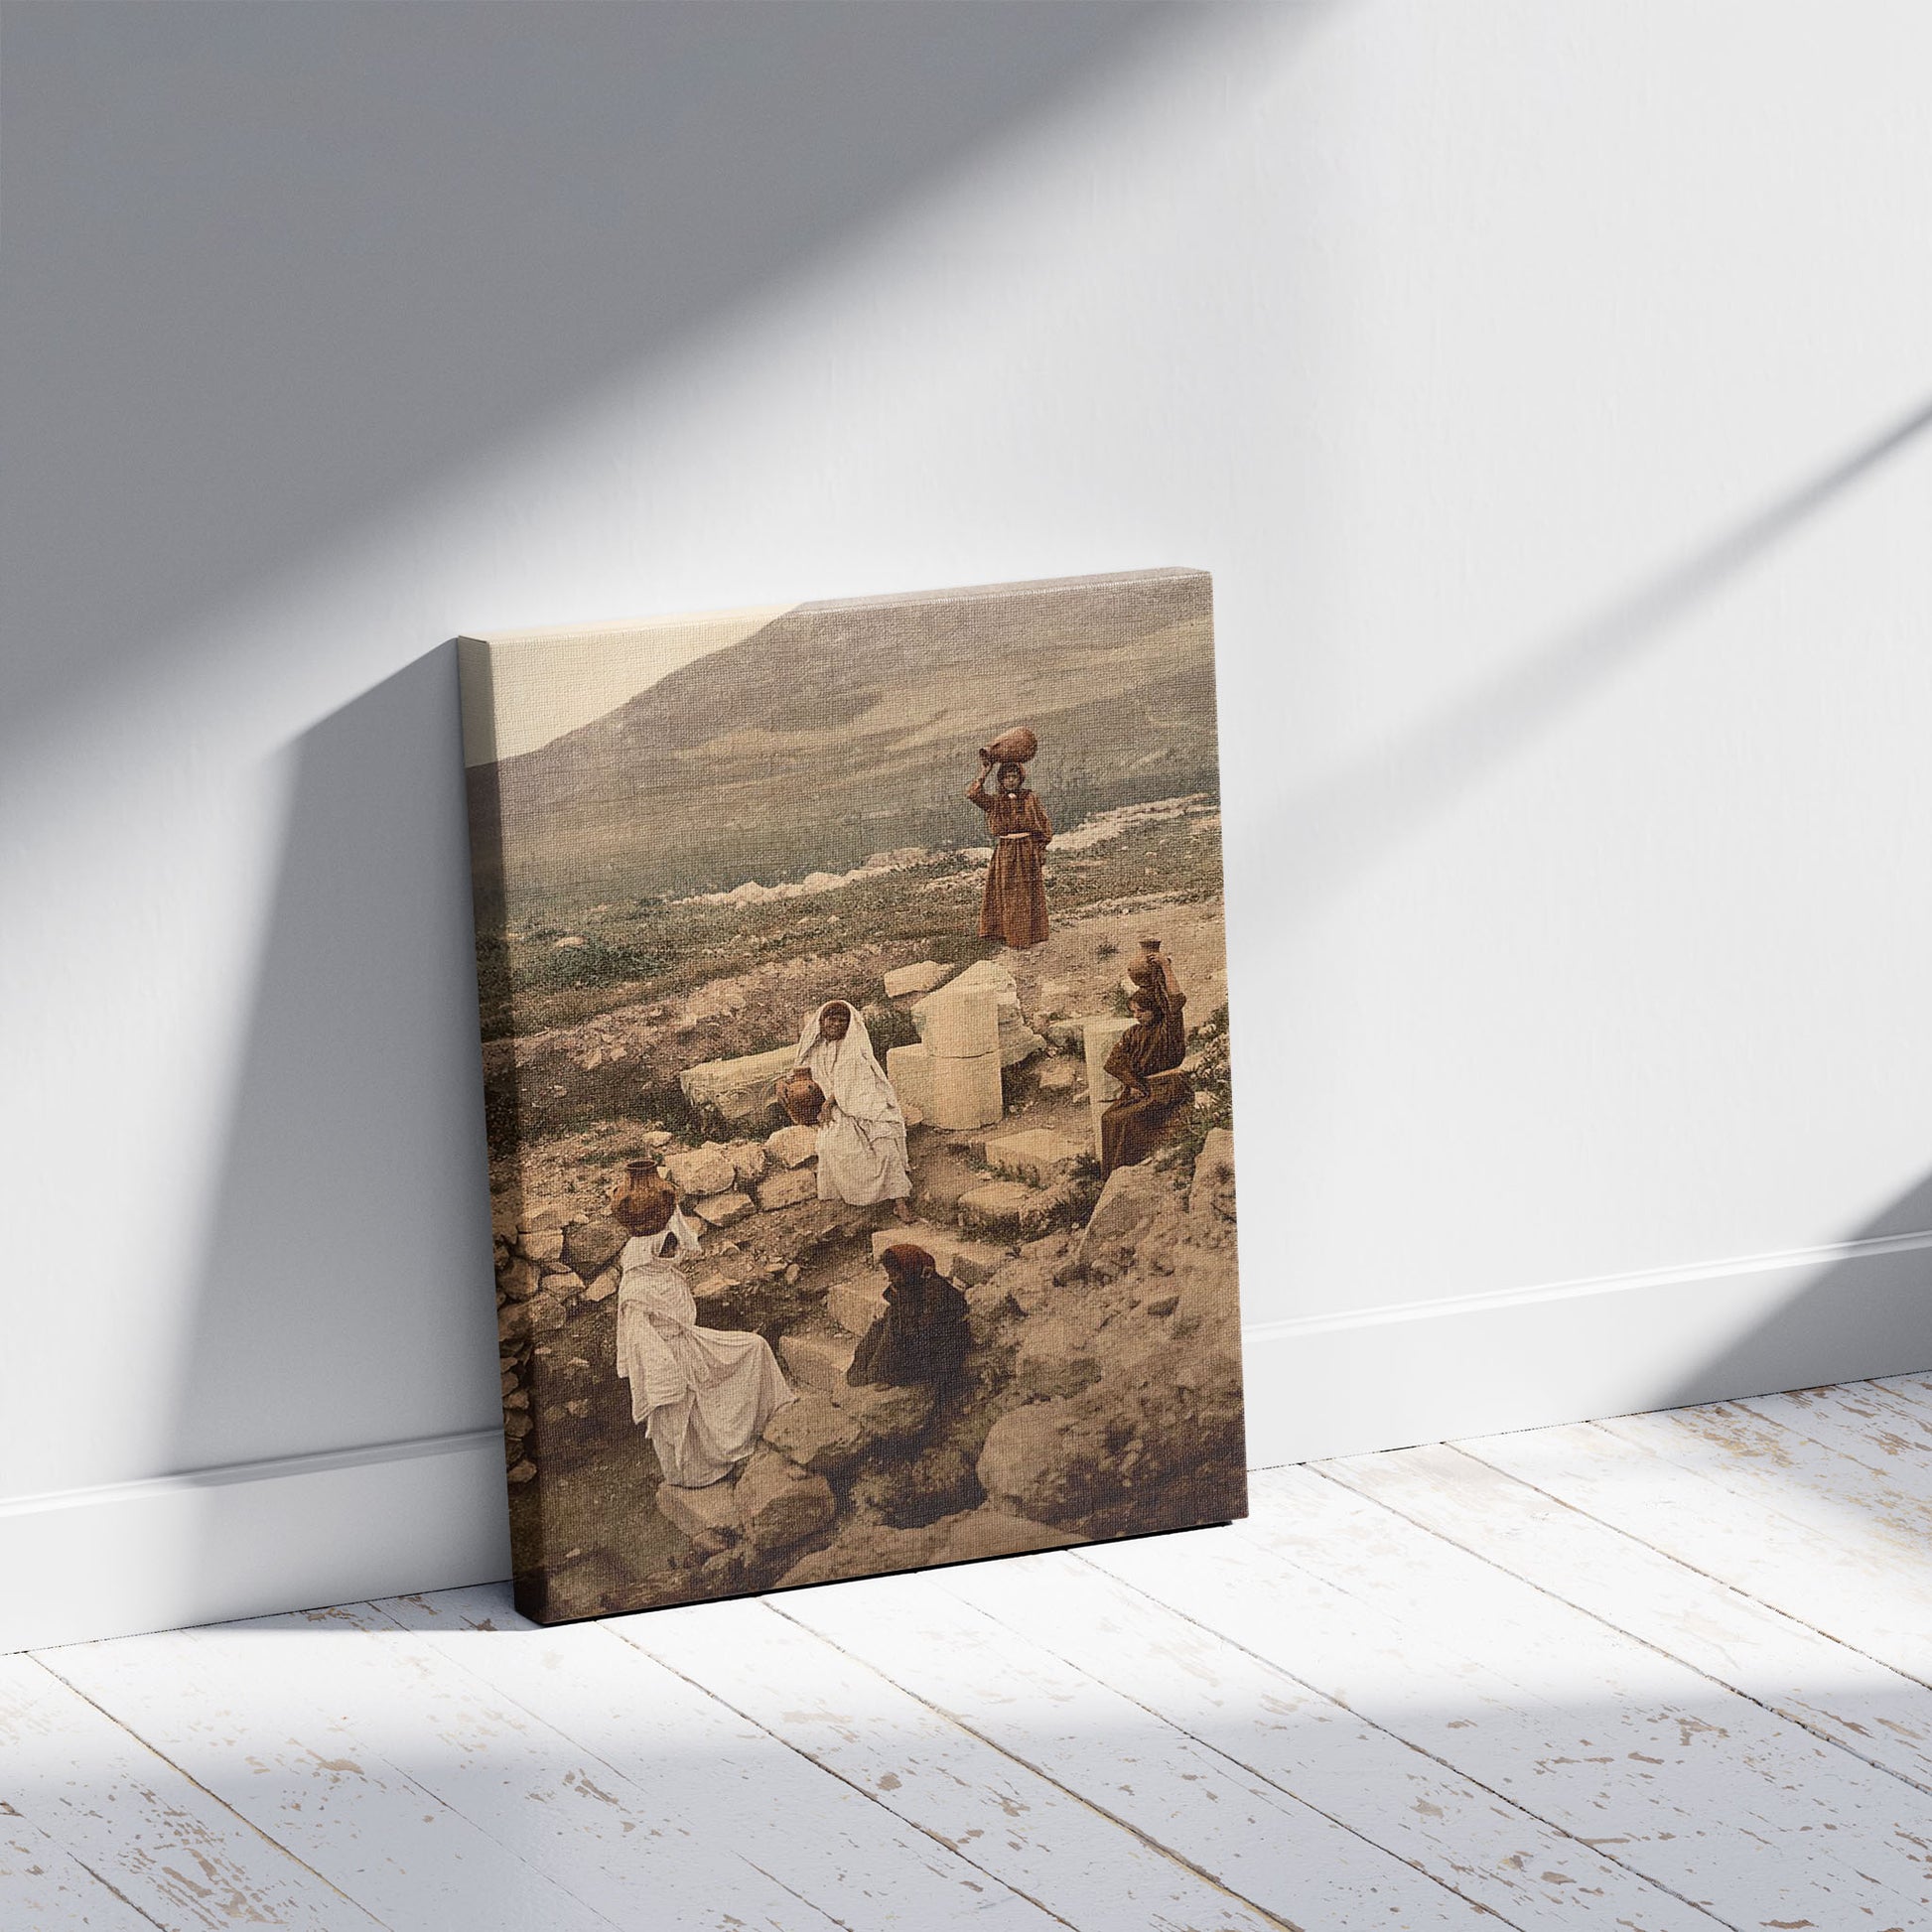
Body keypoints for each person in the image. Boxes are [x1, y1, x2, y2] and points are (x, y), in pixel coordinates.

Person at [614, 1184, 792, 1489]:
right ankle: (696, 1472)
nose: (674, 1253)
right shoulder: (636, 1291)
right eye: (668, 1249)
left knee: (754, 1346)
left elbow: (677, 1230)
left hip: (690, 1341)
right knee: (683, 1411)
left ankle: (764, 1417)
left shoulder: (663, 1272)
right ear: (653, 1251)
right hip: (667, 1360)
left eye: (672, 1248)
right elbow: (643, 1343)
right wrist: (666, 1379)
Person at [789, 1001, 915, 1221]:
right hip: (838, 1109)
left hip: (863, 1104)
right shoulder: (815, 1050)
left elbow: (854, 1085)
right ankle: (846, 1200)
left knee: (884, 1144)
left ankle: (900, 1201)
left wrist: (828, 1103)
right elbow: (803, 1078)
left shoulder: (853, 1049)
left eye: (842, 1021)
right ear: (822, 1021)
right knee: (832, 1145)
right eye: (832, 1020)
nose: (836, 1025)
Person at [848, 1244, 971, 1391]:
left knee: (895, 1325)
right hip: (924, 1337)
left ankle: (883, 1372)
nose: (891, 1279)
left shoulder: (935, 1290)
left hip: (943, 1346)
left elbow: (923, 1329)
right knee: (881, 1323)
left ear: (908, 1269)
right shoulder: (914, 1281)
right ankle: (866, 1369)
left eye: (894, 1274)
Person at [1100, 989, 1193, 1176]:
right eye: (1133, 1012)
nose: (1137, 1016)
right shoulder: (1132, 1033)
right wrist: (1133, 1084)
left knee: (1126, 1120)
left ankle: (1128, 1171)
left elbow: (1175, 1000)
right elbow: (1114, 1061)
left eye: (1141, 1011)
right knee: (1108, 1118)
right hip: (1141, 1087)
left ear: (1155, 1009)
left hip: (1167, 1087)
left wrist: (1164, 967)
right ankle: (1112, 1175)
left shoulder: (1168, 1028)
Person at [966, 755, 1051, 948]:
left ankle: (1030, 935)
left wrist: (1042, 847)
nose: (1010, 780)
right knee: (1008, 891)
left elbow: (1043, 822)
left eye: (1014, 776)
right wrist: (984, 772)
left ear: (1020, 778)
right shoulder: (995, 802)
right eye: (1006, 777)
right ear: (1001, 780)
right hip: (1006, 851)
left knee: (1028, 892)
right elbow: (972, 794)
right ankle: (1008, 934)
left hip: (1028, 849)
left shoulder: (1030, 798)